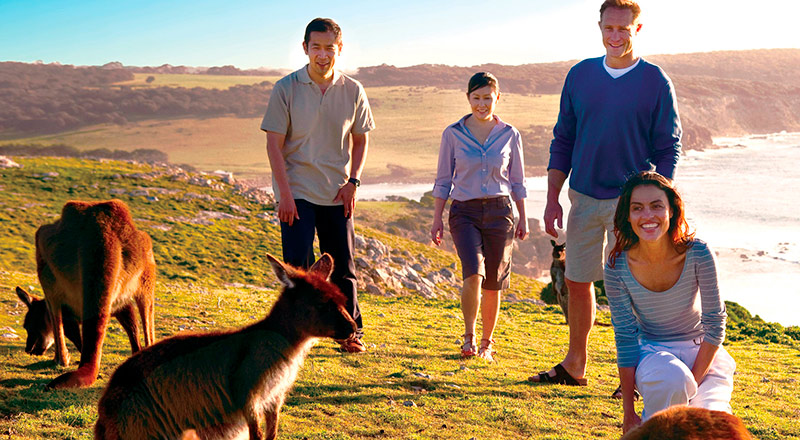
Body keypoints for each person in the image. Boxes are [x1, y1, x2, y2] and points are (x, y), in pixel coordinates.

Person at [529, 0, 682, 387]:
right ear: (599, 27)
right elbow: (563, 139)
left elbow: (669, 147)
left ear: (637, 30)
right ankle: (575, 366)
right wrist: (552, 196)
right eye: (608, 28)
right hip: (582, 197)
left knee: (630, 288)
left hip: (631, 205)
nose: (615, 36)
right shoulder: (580, 75)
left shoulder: (655, 81)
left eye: (623, 29)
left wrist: (657, 203)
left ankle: (638, 374)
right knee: (577, 281)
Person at [261, 17, 375, 353]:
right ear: (305, 48)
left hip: (338, 191)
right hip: (296, 190)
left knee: (343, 267)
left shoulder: (353, 90)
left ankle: (350, 333)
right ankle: (293, 335)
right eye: (316, 48)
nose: (322, 55)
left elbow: (361, 140)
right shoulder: (286, 88)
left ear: (339, 49)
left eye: (329, 48)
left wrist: (353, 182)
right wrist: (284, 195)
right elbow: (273, 145)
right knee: (297, 270)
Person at [604, 171, 735, 434]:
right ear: (627, 215)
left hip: (704, 354)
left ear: (671, 211)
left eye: (656, 206)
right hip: (653, 354)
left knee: (711, 425)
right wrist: (629, 413)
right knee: (672, 381)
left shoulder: (698, 253)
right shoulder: (617, 266)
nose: (647, 216)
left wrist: (693, 386)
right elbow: (625, 337)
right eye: (637, 208)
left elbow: (715, 324)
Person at [431, 72, 529, 362]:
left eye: (488, 98)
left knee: (493, 282)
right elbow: (443, 180)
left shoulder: (510, 135)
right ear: (468, 98)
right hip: (464, 212)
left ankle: (487, 342)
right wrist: (436, 219)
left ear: (497, 98)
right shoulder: (452, 134)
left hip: (501, 213)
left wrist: (523, 217)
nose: (482, 104)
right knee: (473, 273)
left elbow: (517, 181)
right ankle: (469, 337)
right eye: (476, 98)